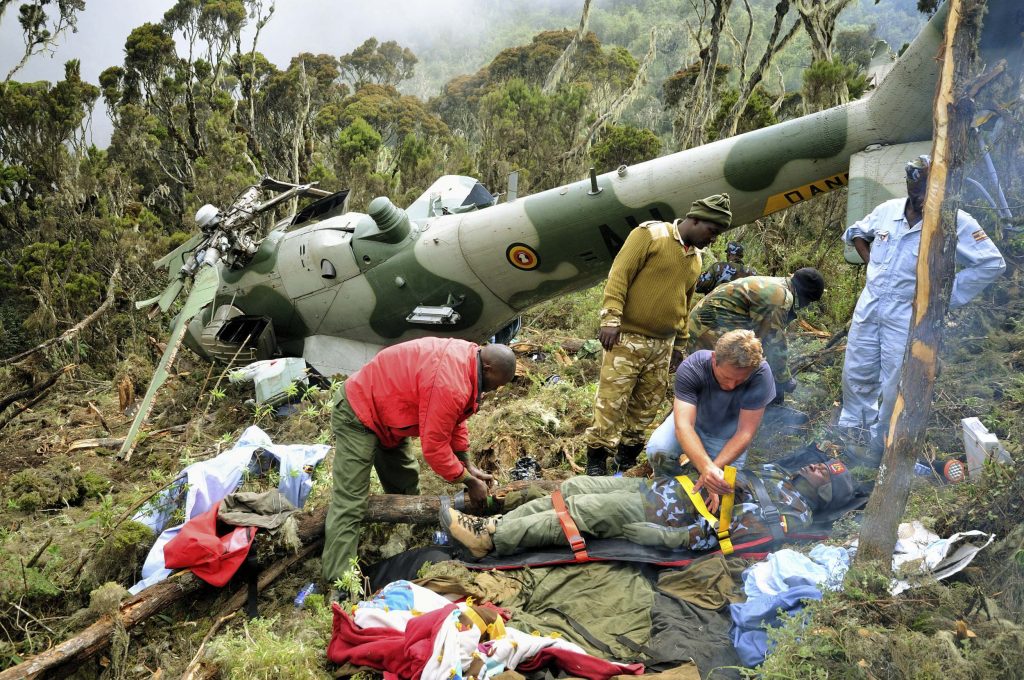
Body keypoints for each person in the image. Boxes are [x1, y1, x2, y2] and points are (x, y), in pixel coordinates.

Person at [838, 155, 1005, 455]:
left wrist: (942, 299)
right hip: (871, 304)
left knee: (894, 384)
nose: (919, 198)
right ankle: (850, 434)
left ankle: (881, 445)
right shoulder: (887, 211)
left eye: (926, 190)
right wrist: (870, 266)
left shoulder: (954, 220)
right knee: (856, 371)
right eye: (915, 188)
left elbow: (991, 263)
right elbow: (856, 234)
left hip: (907, 313)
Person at [323, 337, 517, 585]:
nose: (494, 390)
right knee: (350, 502)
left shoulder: (471, 361)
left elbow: (456, 419)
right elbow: (434, 449)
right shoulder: (449, 382)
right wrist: (469, 482)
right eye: (495, 384)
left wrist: (467, 464)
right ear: (488, 368)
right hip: (359, 410)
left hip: (391, 413)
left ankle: (405, 534)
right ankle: (338, 581)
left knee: (405, 484)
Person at [584, 194, 733, 476]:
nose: (713, 239)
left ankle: (626, 461)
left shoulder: (696, 258)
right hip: (626, 338)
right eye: (712, 232)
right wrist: (610, 318)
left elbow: (684, 302)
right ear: (696, 219)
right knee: (612, 402)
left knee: (645, 407)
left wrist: (680, 344)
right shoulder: (650, 234)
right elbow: (619, 275)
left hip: (662, 346)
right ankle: (596, 464)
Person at [440, 459, 855, 559]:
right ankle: (493, 521)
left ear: (825, 494)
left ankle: (493, 539)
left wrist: (668, 539)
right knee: (575, 486)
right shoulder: (776, 473)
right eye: (821, 463)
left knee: (583, 511)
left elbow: (733, 535)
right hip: (659, 488)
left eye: (825, 473)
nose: (816, 466)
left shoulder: (788, 512)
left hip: (665, 515)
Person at [646, 330, 775, 497]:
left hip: (729, 436)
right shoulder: (694, 367)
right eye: (726, 377)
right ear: (714, 359)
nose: (731, 386)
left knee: (725, 489)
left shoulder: (760, 374)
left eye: (740, 380)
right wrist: (707, 468)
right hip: (694, 423)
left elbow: (745, 432)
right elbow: (684, 426)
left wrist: (712, 471)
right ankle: (668, 488)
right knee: (658, 450)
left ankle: (701, 481)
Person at [686, 268, 826, 404]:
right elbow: (773, 342)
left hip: (702, 325)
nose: (806, 306)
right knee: (730, 376)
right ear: (804, 295)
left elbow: (761, 337)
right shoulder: (779, 297)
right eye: (808, 302)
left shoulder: (777, 284)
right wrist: (783, 379)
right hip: (707, 330)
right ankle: (710, 412)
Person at [694, 241, 758, 295]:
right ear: (741, 256)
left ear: (729, 254)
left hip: (715, 307)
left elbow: (699, 286)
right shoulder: (752, 272)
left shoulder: (718, 267)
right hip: (741, 309)